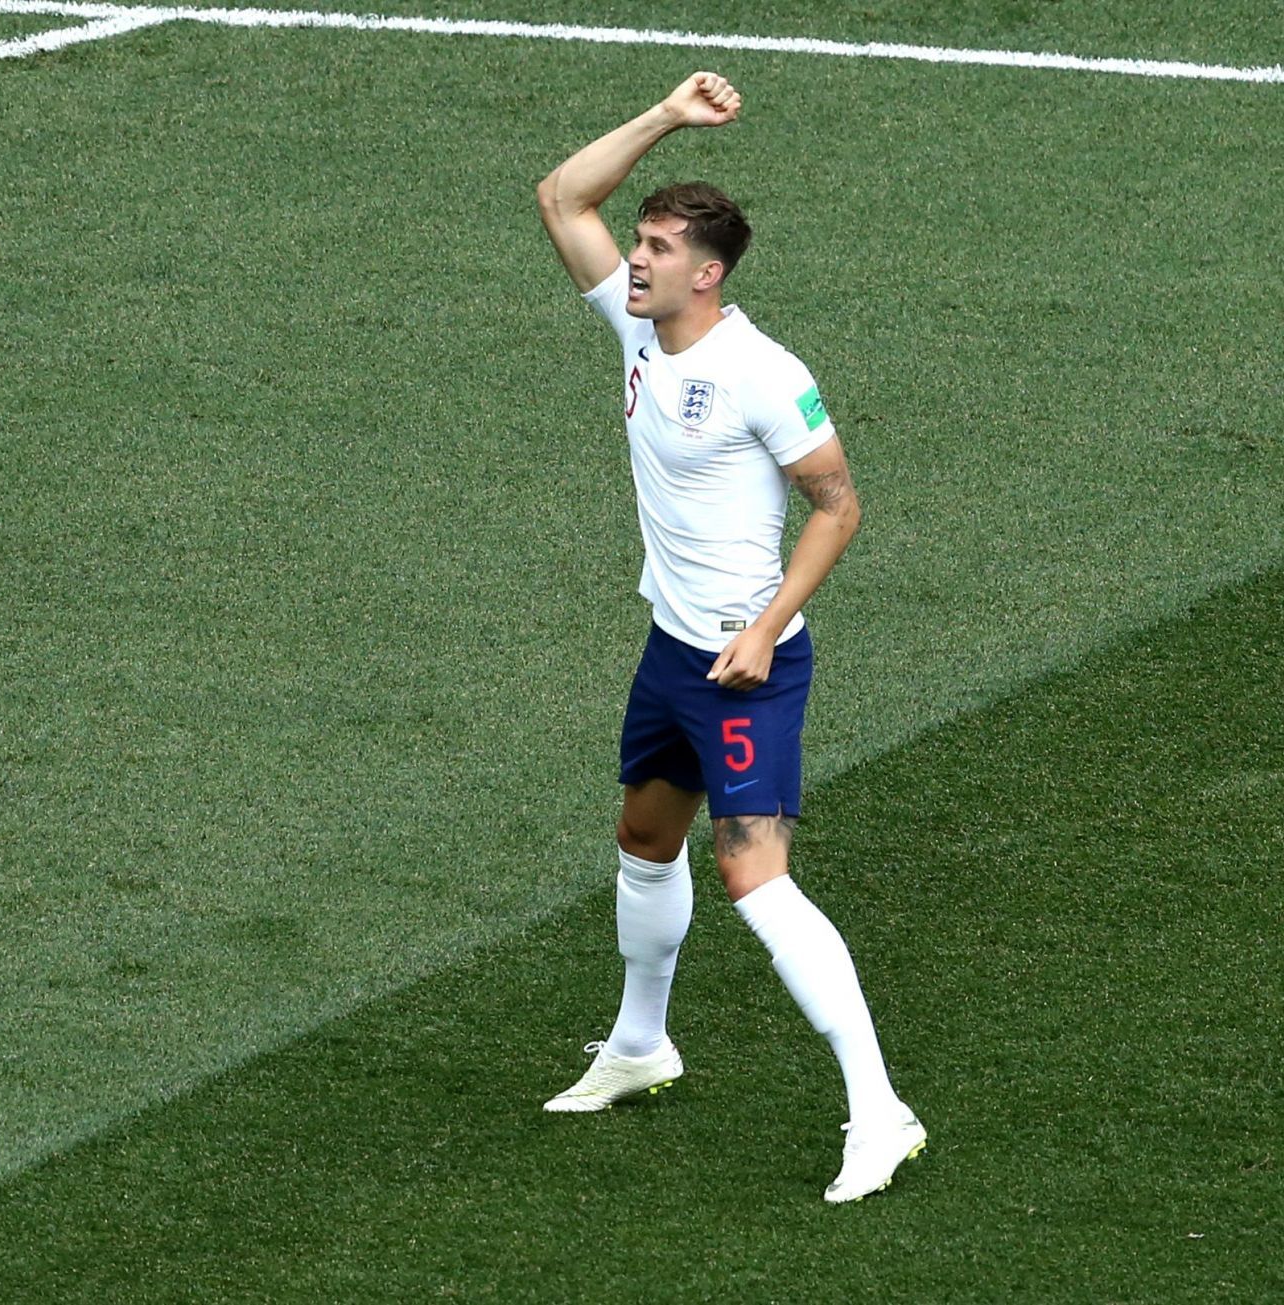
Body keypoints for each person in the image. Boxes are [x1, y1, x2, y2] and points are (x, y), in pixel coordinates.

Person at [534, 71, 925, 1203]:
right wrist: (662, 116)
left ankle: (878, 1109)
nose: (635, 258)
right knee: (644, 837)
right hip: (670, 650)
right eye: (639, 241)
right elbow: (562, 198)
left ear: (707, 273)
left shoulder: (764, 373)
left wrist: (764, 629)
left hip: (746, 665)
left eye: (657, 246)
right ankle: (642, 1044)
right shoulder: (639, 327)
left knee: (756, 877)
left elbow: (840, 505)